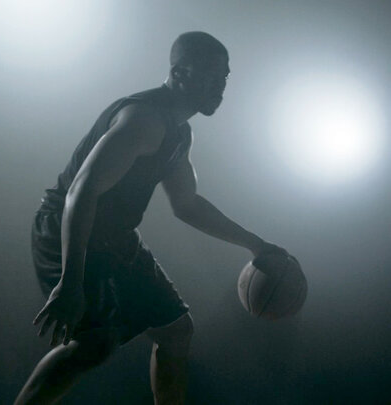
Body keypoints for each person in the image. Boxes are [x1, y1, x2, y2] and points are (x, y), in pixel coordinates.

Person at [15, 31, 290, 405]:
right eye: (211, 75)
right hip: (67, 224)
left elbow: (187, 204)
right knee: (95, 344)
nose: (220, 85)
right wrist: (71, 281)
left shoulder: (179, 133)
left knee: (176, 331)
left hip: (115, 235)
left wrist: (256, 246)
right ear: (180, 73)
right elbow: (81, 192)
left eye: (224, 76)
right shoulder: (143, 119)